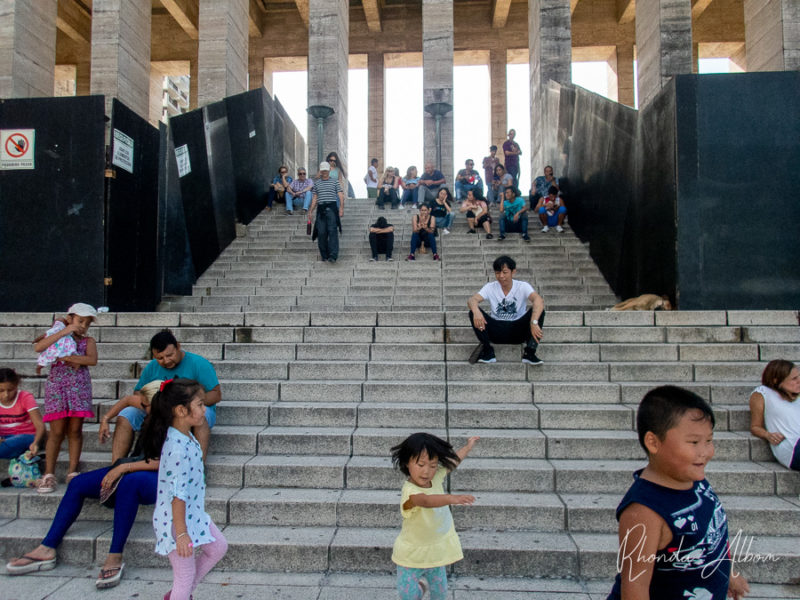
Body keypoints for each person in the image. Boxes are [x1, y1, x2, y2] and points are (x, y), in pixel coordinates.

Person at [4, 380, 202, 589]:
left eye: (145, 405)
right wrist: (106, 418)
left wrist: (124, 468)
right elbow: (127, 400)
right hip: (134, 465)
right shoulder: (151, 408)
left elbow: (172, 463)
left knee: (130, 483)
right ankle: (48, 546)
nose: (142, 408)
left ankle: (115, 555)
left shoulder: (178, 425)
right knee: (78, 484)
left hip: (160, 477)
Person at [607, 386, 750, 600]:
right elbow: (635, 588)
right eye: (693, 442)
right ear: (653, 442)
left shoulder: (696, 482)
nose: (705, 452)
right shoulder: (644, 511)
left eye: (709, 440)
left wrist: (728, 571)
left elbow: (713, 536)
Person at [153, 379, 228, 600]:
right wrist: (182, 533)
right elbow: (178, 495)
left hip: (193, 514)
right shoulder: (177, 447)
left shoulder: (187, 437)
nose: (205, 409)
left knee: (218, 547)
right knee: (184, 575)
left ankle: (177, 596)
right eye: (200, 404)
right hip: (176, 522)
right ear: (181, 410)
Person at [103, 330, 221, 462]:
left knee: (202, 416)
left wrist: (191, 404)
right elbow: (138, 393)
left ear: (178, 346)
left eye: (169, 355)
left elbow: (216, 395)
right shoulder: (152, 367)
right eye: (159, 358)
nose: (165, 361)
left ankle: (199, 464)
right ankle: (116, 464)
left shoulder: (199, 364)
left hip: (190, 408)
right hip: (158, 409)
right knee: (127, 414)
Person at [390, 432, 479, 600]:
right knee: (407, 595)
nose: (427, 471)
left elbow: (452, 462)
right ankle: (420, 589)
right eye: (420, 464)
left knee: (440, 593)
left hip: (436, 550)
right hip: (411, 553)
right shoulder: (410, 492)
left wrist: (467, 447)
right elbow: (425, 500)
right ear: (407, 463)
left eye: (432, 465)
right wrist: (452, 498)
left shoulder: (436, 477)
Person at [33, 302, 99, 494]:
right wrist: (63, 331)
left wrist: (68, 358)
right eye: (80, 321)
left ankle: (72, 471)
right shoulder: (58, 335)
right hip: (57, 387)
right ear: (70, 318)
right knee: (56, 431)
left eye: (87, 323)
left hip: (79, 388)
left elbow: (91, 359)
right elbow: (40, 347)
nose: (83, 326)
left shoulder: (88, 341)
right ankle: (49, 474)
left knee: (75, 429)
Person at [467, 255, 545, 365]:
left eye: (504, 272)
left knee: (539, 310)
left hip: (518, 330)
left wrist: (534, 321)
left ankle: (530, 353)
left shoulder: (522, 286)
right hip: (497, 330)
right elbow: (472, 300)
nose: (501, 276)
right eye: (498, 273)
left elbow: (538, 300)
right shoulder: (490, 287)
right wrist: (476, 312)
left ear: (513, 272)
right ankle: (488, 351)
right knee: (472, 312)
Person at [749, 359, 800, 470]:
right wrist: (768, 435)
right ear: (776, 380)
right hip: (791, 447)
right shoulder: (763, 393)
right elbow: (755, 427)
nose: (799, 381)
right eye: (794, 379)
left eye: (799, 376)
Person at [0, 368, 45, 458]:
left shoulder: (25, 397)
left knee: (17, 441)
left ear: (16, 385)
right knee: (7, 445)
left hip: (25, 437)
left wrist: (35, 443)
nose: (6, 395)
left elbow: (40, 425)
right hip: (4, 439)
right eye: (1, 391)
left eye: (10, 390)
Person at [309, 160, 346, 263]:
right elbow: (315, 198)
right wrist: (310, 211)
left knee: (332, 231)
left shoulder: (335, 181)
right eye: (322, 170)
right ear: (320, 171)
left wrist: (341, 208)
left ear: (329, 170)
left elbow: (340, 195)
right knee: (321, 233)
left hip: (332, 208)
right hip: (321, 209)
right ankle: (324, 255)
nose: (324, 172)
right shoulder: (317, 184)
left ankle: (333, 255)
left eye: (326, 170)